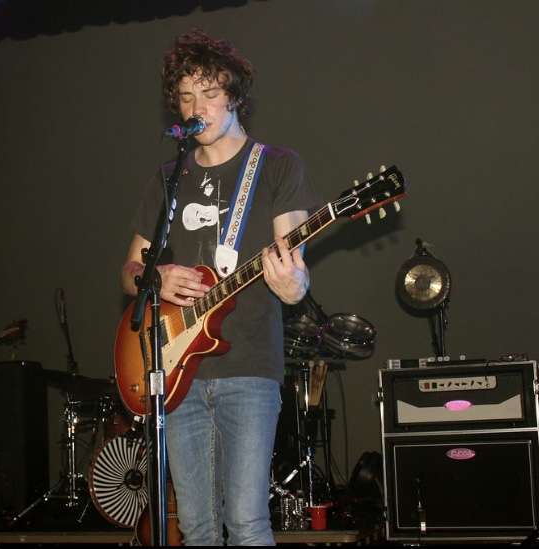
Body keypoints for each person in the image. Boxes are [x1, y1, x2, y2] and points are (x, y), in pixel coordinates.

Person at [120, 28, 320, 546]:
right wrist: (156, 278)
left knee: (247, 521)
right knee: (196, 526)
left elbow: (294, 274)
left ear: (234, 96)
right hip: (177, 372)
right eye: (187, 96)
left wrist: (293, 285)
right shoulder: (168, 179)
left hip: (249, 366)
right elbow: (130, 271)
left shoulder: (277, 166)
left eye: (209, 93)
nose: (197, 107)